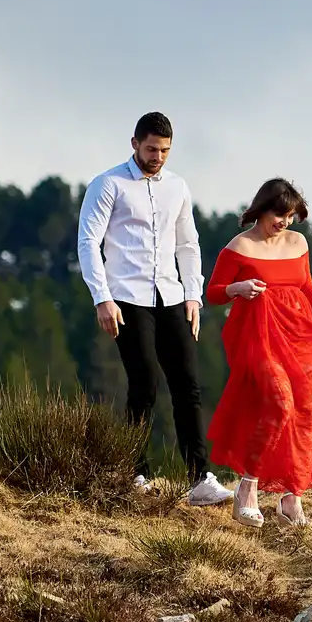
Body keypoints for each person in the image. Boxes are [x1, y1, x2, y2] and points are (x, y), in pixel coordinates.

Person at [76, 111, 233, 507]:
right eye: (151, 149)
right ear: (134, 144)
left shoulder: (178, 187)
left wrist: (193, 296)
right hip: (126, 297)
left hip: (171, 296)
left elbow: (188, 245)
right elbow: (88, 242)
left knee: (187, 384)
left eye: (164, 150)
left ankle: (199, 479)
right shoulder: (107, 184)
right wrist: (101, 297)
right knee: (144, 382)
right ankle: (134, 473)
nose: (157, 156)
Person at [205, 178, 312, 525]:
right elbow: (213, 293)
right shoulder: (238, 247)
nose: (284, 221)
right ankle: (248, 486)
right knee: (279, 401)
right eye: (279, 214)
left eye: (290, 215)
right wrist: (237, 288)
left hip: (298, 331)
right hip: (258, 334)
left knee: (306, 407)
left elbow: (305, 284)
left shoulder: (297, 242)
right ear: (262, 209)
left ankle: (291, 496)